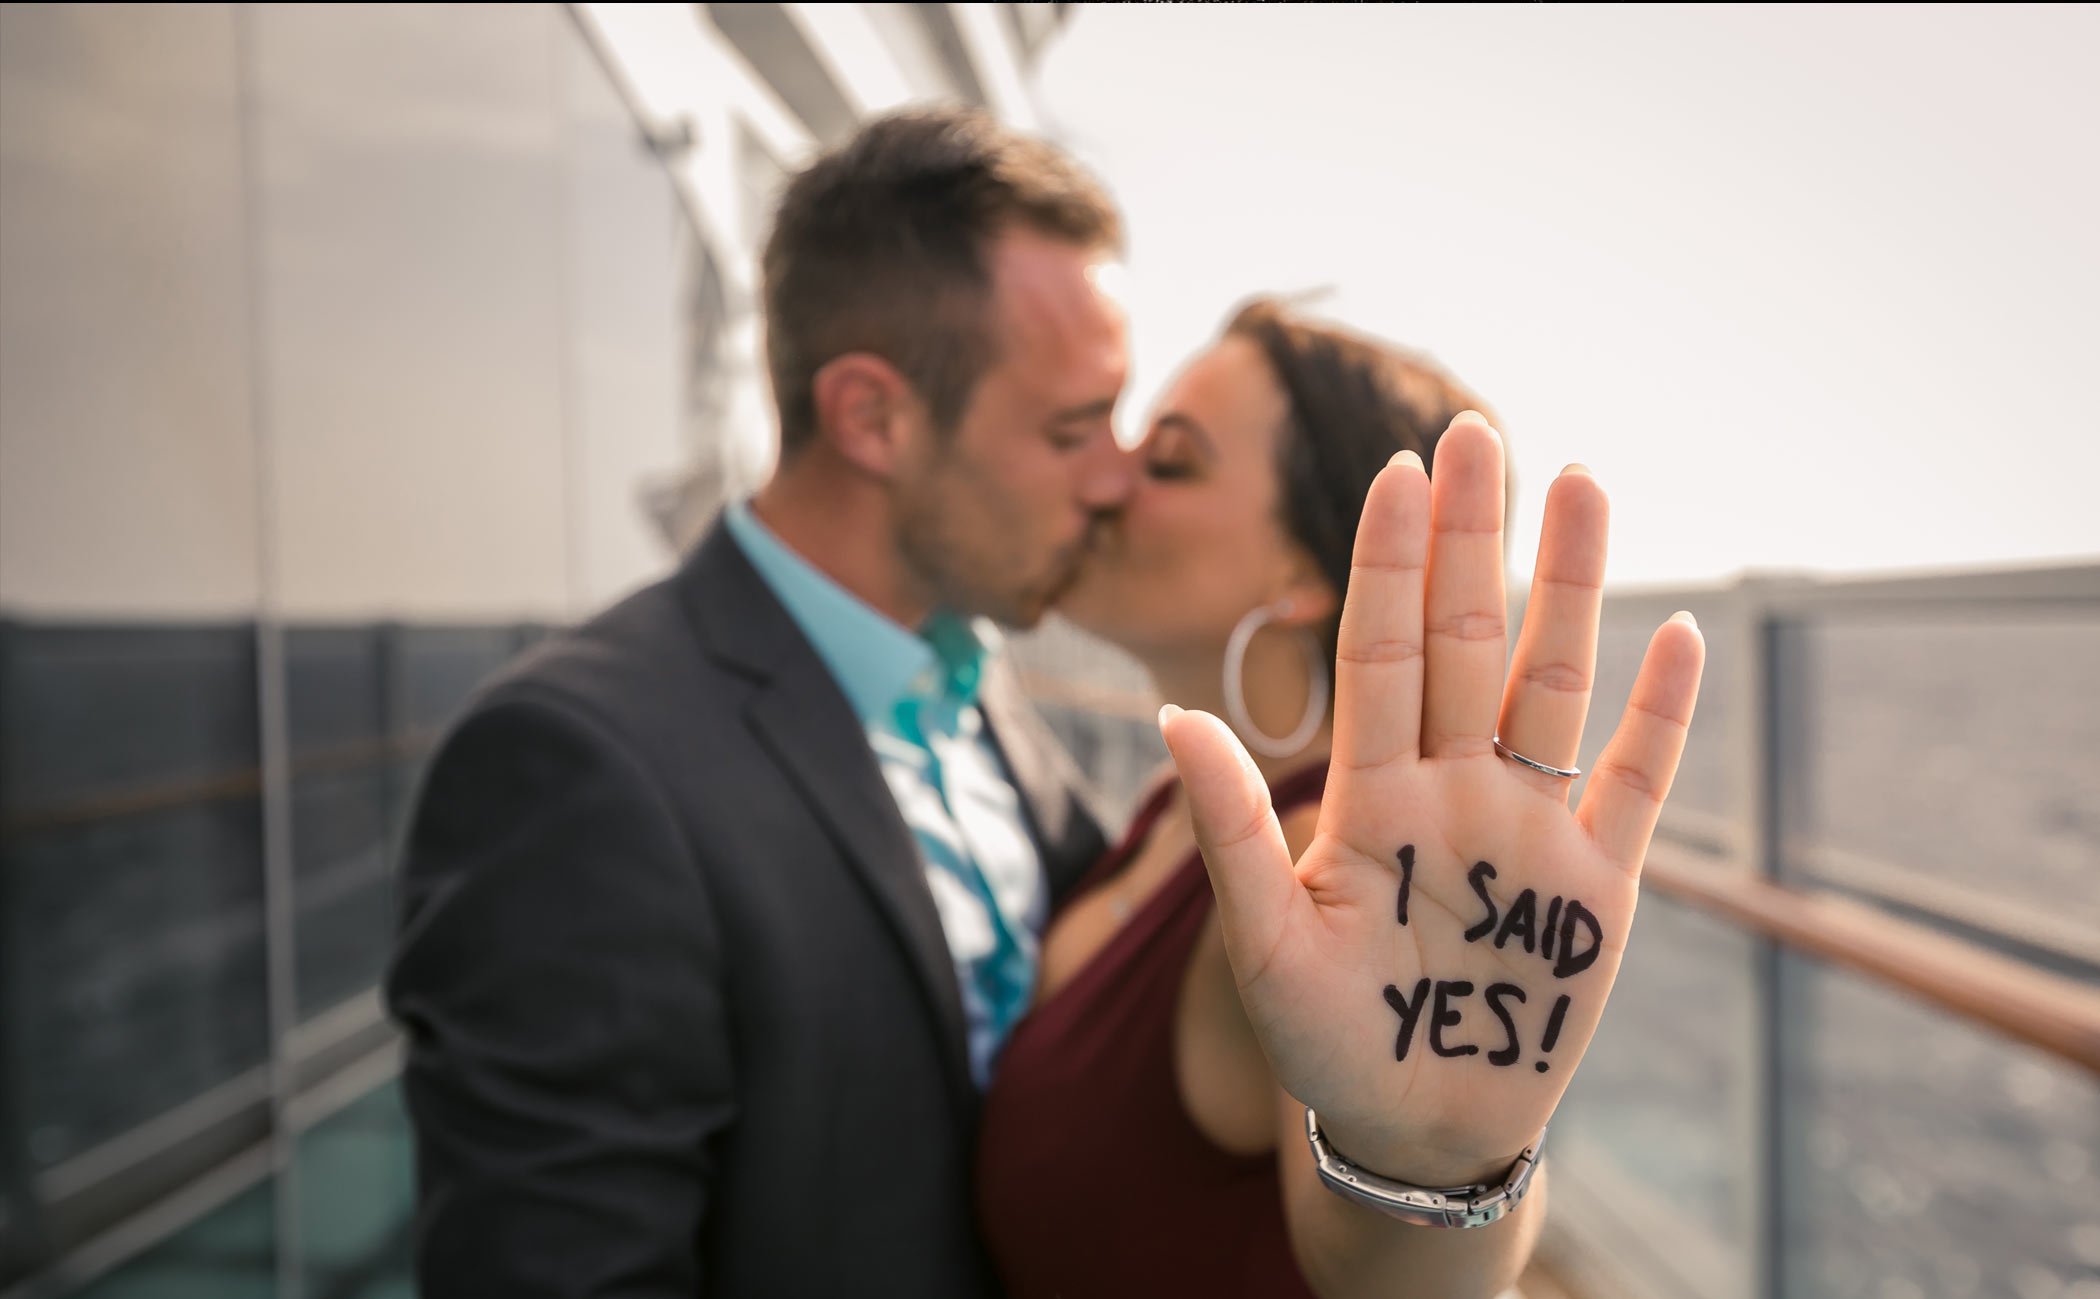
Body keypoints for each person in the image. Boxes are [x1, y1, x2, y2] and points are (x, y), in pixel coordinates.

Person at [385, 107, 1135, 1296]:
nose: (1116, 477)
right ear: (872, 417)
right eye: (1070, 428)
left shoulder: (975, 686)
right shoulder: (579, 769)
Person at [976, 301, 1707, 1298]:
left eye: (1172, 459)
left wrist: (1430, 1166)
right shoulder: (1174, 811)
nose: (1108, 478)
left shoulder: (1321, 867)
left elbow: (1379, 1276)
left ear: (1308, 572)